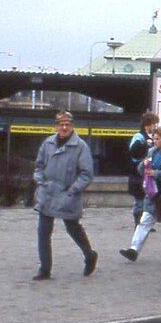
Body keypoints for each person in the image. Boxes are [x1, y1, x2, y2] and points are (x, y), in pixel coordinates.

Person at [31, 111, 98, 280]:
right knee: (43, 232)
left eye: (67, 124)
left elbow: (86, 174)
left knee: (73, 228)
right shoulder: (48, 143)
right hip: (48, 193)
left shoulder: (80, 146)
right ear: (56, 126)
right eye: (61, 124)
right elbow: (39, 166)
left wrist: (73, 189)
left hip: (68, 194)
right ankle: (45, 269)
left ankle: (89, 255)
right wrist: (40, 180)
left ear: (72, 126)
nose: (64, 127)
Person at [119, 126, 161, 261]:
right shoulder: (151, 152)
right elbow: (140, 171)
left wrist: (157, 173)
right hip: (152, 192)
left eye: (157, 139)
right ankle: (134, 249)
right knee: (144, 221)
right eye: (154, 138)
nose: (154, 141)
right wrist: (143, 165)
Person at [126, 111, 159, 227]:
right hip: (137, 175)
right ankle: (138, 223)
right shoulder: (139, 137)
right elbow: (133, 152)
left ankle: (145, 223)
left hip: (146, 175)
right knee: (139, 201)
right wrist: (146, 146)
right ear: (148, 125)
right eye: (154, 125)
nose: (155, 127)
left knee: (146, 201)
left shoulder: (151, 138)